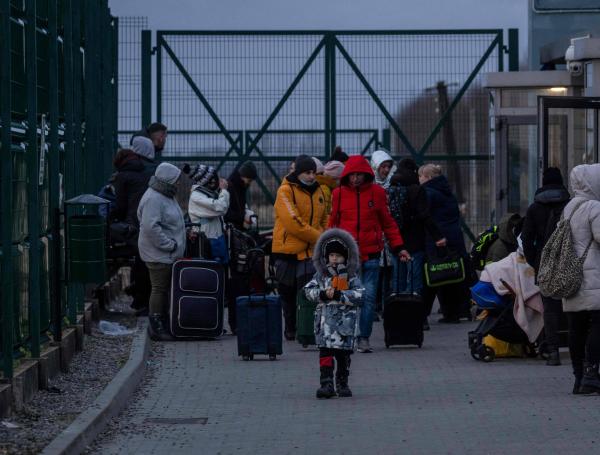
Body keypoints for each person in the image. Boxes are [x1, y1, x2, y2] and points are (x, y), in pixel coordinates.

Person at [329, 155, 410, 353]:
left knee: (367, 298)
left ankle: (363, 337)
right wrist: (329, 250)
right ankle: (344, 335)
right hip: (345, 258)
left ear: (366, 175)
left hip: (371, 254)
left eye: (359, 175)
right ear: (347, 176)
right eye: (352, 175)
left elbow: (388, 223)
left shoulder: (377, 193)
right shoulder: (338, 194)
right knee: (344, 298)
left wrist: (399, 247)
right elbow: (333, 223)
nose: (355, 179)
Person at [272, 155, 328, 340]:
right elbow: (293, 222)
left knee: (306, 292)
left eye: (313, 172)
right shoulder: (285, 191)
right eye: (307, 172)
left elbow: (324, 219)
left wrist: (325, 236)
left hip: (310, 252)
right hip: (287, 250)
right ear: (298, 173)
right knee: (287, 293)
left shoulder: (319, 191)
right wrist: (320, 237)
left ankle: (306, 329)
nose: (312, 176)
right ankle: (290, 327)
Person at [304, 228, 364, 399]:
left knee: (343, 357)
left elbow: (360, 295)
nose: (335, 259)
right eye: (331, 256)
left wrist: (341, 295)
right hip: (325, 327)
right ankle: (326, 382)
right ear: (326, 257)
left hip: (345, 326)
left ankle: (342, 382)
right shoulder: (321, 276)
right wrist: (322, 294)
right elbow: (308, 291)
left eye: (338, 255)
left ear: (346, 257)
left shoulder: (351, 277)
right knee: (325, 355)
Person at [388, 158, 445, 329]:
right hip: (414, 242)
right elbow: (424, 215)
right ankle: (418, 318)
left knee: (398, 280)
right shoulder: (416, 190)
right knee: (415, 281)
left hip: (396, 242)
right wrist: (438, 236)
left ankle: (397, 317)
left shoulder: (391, 189)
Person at [521, 167, 570, 366]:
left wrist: (535, 260)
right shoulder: (570, 206)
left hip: (545, 262)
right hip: (568, 260)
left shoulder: (534, 208)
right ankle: (577, 350)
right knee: (572, 307)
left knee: (549, 308)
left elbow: (526, 238)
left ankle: (553, 352)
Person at [560, 164, 600, 394]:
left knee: (577, 327)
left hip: (571, 276)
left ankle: (578, 377)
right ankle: (591, 373)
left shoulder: (570, 207)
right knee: (598, 324)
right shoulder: (594, 207)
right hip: (592, 278)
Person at [138, 163, 186, 341]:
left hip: (164, 253)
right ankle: (157, 326)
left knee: (163, 289)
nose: (179, 184)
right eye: (176, 180)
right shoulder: (155, 198)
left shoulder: (164, 195)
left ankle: (163, 323)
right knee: (159, 288)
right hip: (159, 253)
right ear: (167, 179)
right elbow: (150, 227)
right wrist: (169, 244)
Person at [419, 164, 470, 324]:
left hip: (437, 240)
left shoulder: (428, 192)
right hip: (454, 238)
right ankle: (454, 312)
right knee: (451, 275)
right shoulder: (447, 192)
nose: (418, 179)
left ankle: (421, 314)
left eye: (420, 176)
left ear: (427, 177)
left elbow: (425, 216)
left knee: (433, 276)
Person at [111, 148, 152, 314]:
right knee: (145, 262)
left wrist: (112, 218)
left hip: (133, 224)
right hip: (148, 221)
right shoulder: (146, 173)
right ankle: (142, 299)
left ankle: (140, 299)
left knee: (139, 261)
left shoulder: (122, 176)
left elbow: (120, 205)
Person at [188, 165, 230, 264]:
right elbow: (220, 208)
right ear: (207, 181)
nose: (217, 181)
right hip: (206, 243)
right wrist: (224, 191)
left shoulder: (207, 193)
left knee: (221, 271)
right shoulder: (197, 197)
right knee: (211, 271)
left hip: (216, 240)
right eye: (215, 178)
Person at [225, 161, 257, 231]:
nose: (249, 183)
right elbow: (226, 212)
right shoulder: (230, 187)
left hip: (237, 227)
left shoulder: (241, 187)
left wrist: (245, 214)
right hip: (231, 229)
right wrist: (243, 217)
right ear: (242, 176)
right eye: (249, 180)